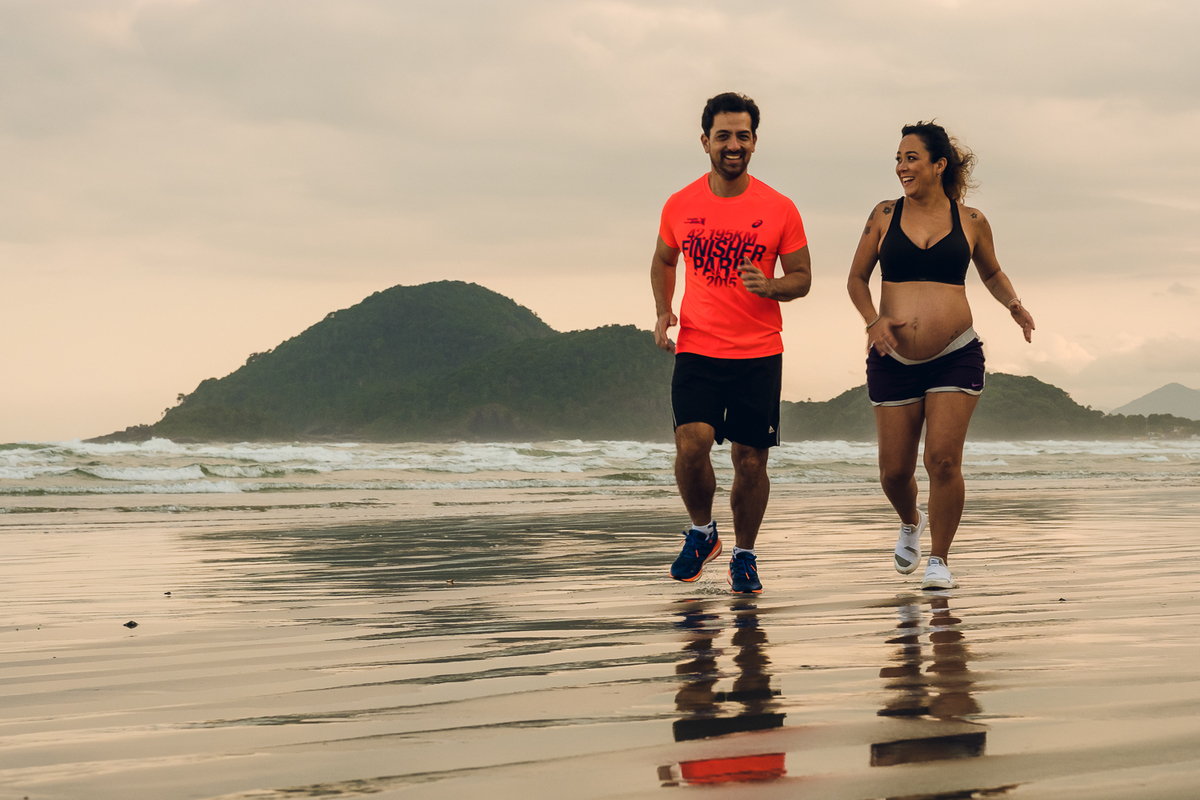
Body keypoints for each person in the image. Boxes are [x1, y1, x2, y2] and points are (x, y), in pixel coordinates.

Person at [847, 121, 1035, 590]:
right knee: (894, 472)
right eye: (898, 159)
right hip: (892, 357)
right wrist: (872, 321)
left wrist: (1013, 304)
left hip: (956, 353)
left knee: (944, 461)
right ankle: (911, 520)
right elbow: (856, 278)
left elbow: (992, 273)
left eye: (911, 158)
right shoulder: (884, 215)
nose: (901, 167)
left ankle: (940, 560)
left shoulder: (971, 220)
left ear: (938, 164)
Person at [651, 92, 812, 594]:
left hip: (758, 352)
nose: (733, 145)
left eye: (743, 135)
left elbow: (802, 277)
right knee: (691, 444)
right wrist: (663, 309)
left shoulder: (780, 208)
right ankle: (703, 532)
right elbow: (664, 260)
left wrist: (772, 286)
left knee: (751, 460)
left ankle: (744, 555)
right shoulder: (680, 204)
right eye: (723, 136)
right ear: (705, 142)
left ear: (755, 142)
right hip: (698, 346)